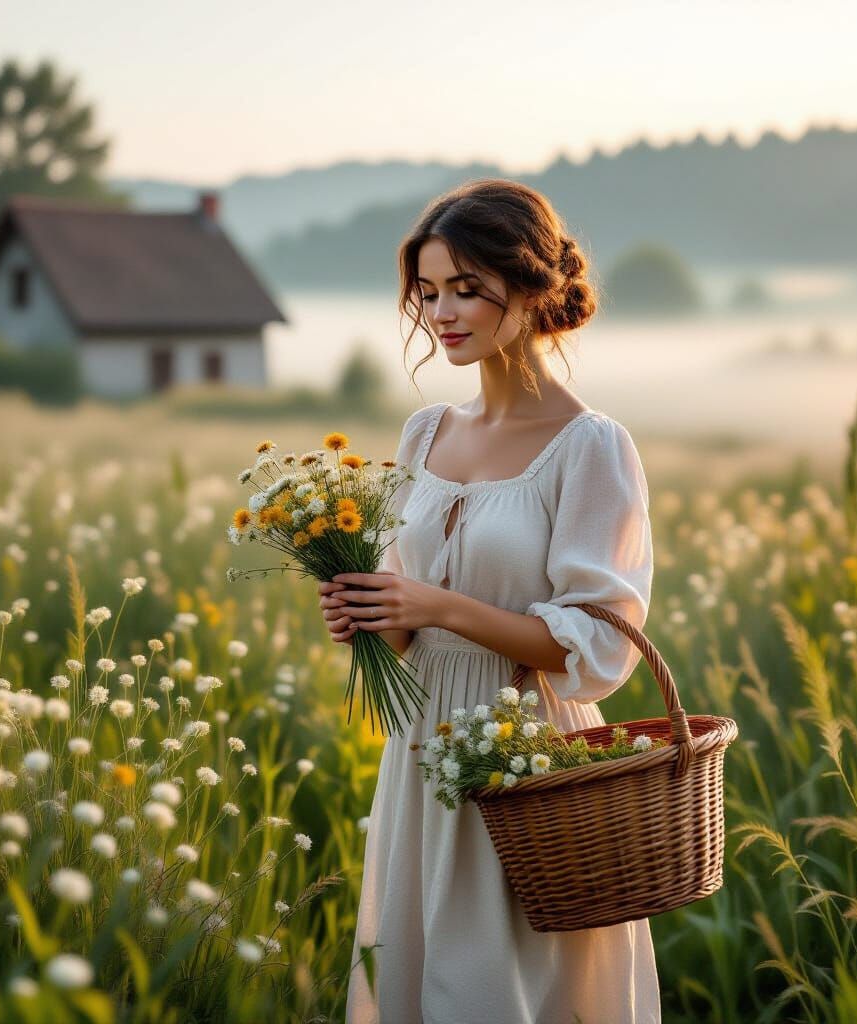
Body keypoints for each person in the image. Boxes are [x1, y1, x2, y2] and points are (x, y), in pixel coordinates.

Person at [318, 179, 659, 1024]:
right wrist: (370, 617)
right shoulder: (424, 434)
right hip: (420, 749)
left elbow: (599, 648)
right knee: (418, 967)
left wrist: (432, 603)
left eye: (468, 288)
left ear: (533, 286)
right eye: (429, 292)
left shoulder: (591, 447)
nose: (443, 311)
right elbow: (407, 618)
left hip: (526, 759)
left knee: (507, 984)